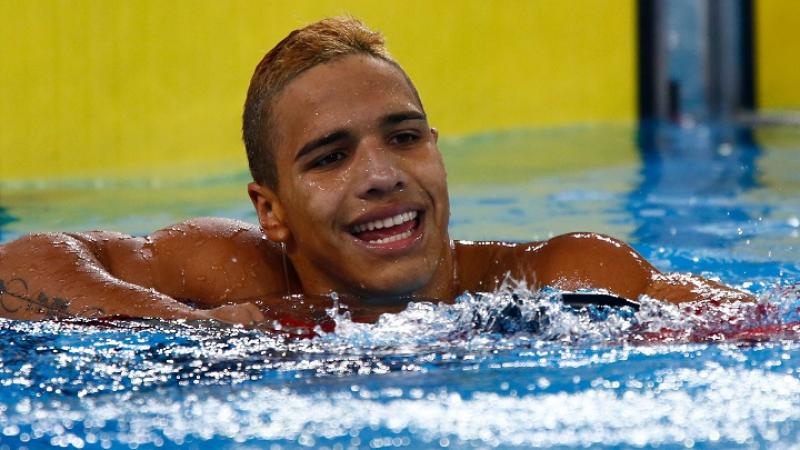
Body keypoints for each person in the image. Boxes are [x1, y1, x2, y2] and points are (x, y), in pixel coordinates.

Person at [0, 18, 751, 329]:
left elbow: (765, 325)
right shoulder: (237, 277)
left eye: (404, 137)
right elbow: (19, 265)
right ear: (272, 210)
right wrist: (200, 333)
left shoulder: (564, 277)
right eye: (329, 157)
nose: (382, 175)